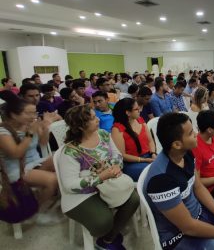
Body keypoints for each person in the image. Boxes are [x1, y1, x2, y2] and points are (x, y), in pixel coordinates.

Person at [143, 112, 214, 249]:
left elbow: (198, 187)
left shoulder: (187, 153)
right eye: (190, 133)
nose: (196, 134)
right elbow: (188, 227)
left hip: (200, 212)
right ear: (177, 144)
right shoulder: (161, 180)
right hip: (179, 235)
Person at [58, 105, 139, 249]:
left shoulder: (102, 134)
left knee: (133, 199)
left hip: (106, 185)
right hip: (82, 194)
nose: (98, 119)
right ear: (81, 126)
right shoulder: (70, 151)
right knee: (102, 222)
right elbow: (69, 185)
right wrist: (100, 177)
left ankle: (108, 238)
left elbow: (117, 154)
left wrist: (116, 165)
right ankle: (108, 234)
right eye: (93, 118)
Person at [0, 90, 62, 224]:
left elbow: (43, 142)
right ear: (13, 115)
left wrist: (45, 126)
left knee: (61, 159)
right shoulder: (3, 131)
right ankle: (35, 211)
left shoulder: (30, 124)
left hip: (35, 162)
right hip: (16, 170)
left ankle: (51, 198)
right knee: (52, 180)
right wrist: (30, 133)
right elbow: (16, 154)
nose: (32, 116)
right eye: (28, 113)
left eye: (34, 112)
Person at [111, 98, 156, 181]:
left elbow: (150, 141)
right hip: (132, 163)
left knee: (167, 162)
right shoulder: (117, 129)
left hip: (148, 156)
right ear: (128, 112)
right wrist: (144, 160)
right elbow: (122, 155)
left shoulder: (140, 120)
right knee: (154, 170)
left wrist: (153, 153)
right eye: (136, 109)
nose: (140, 110)